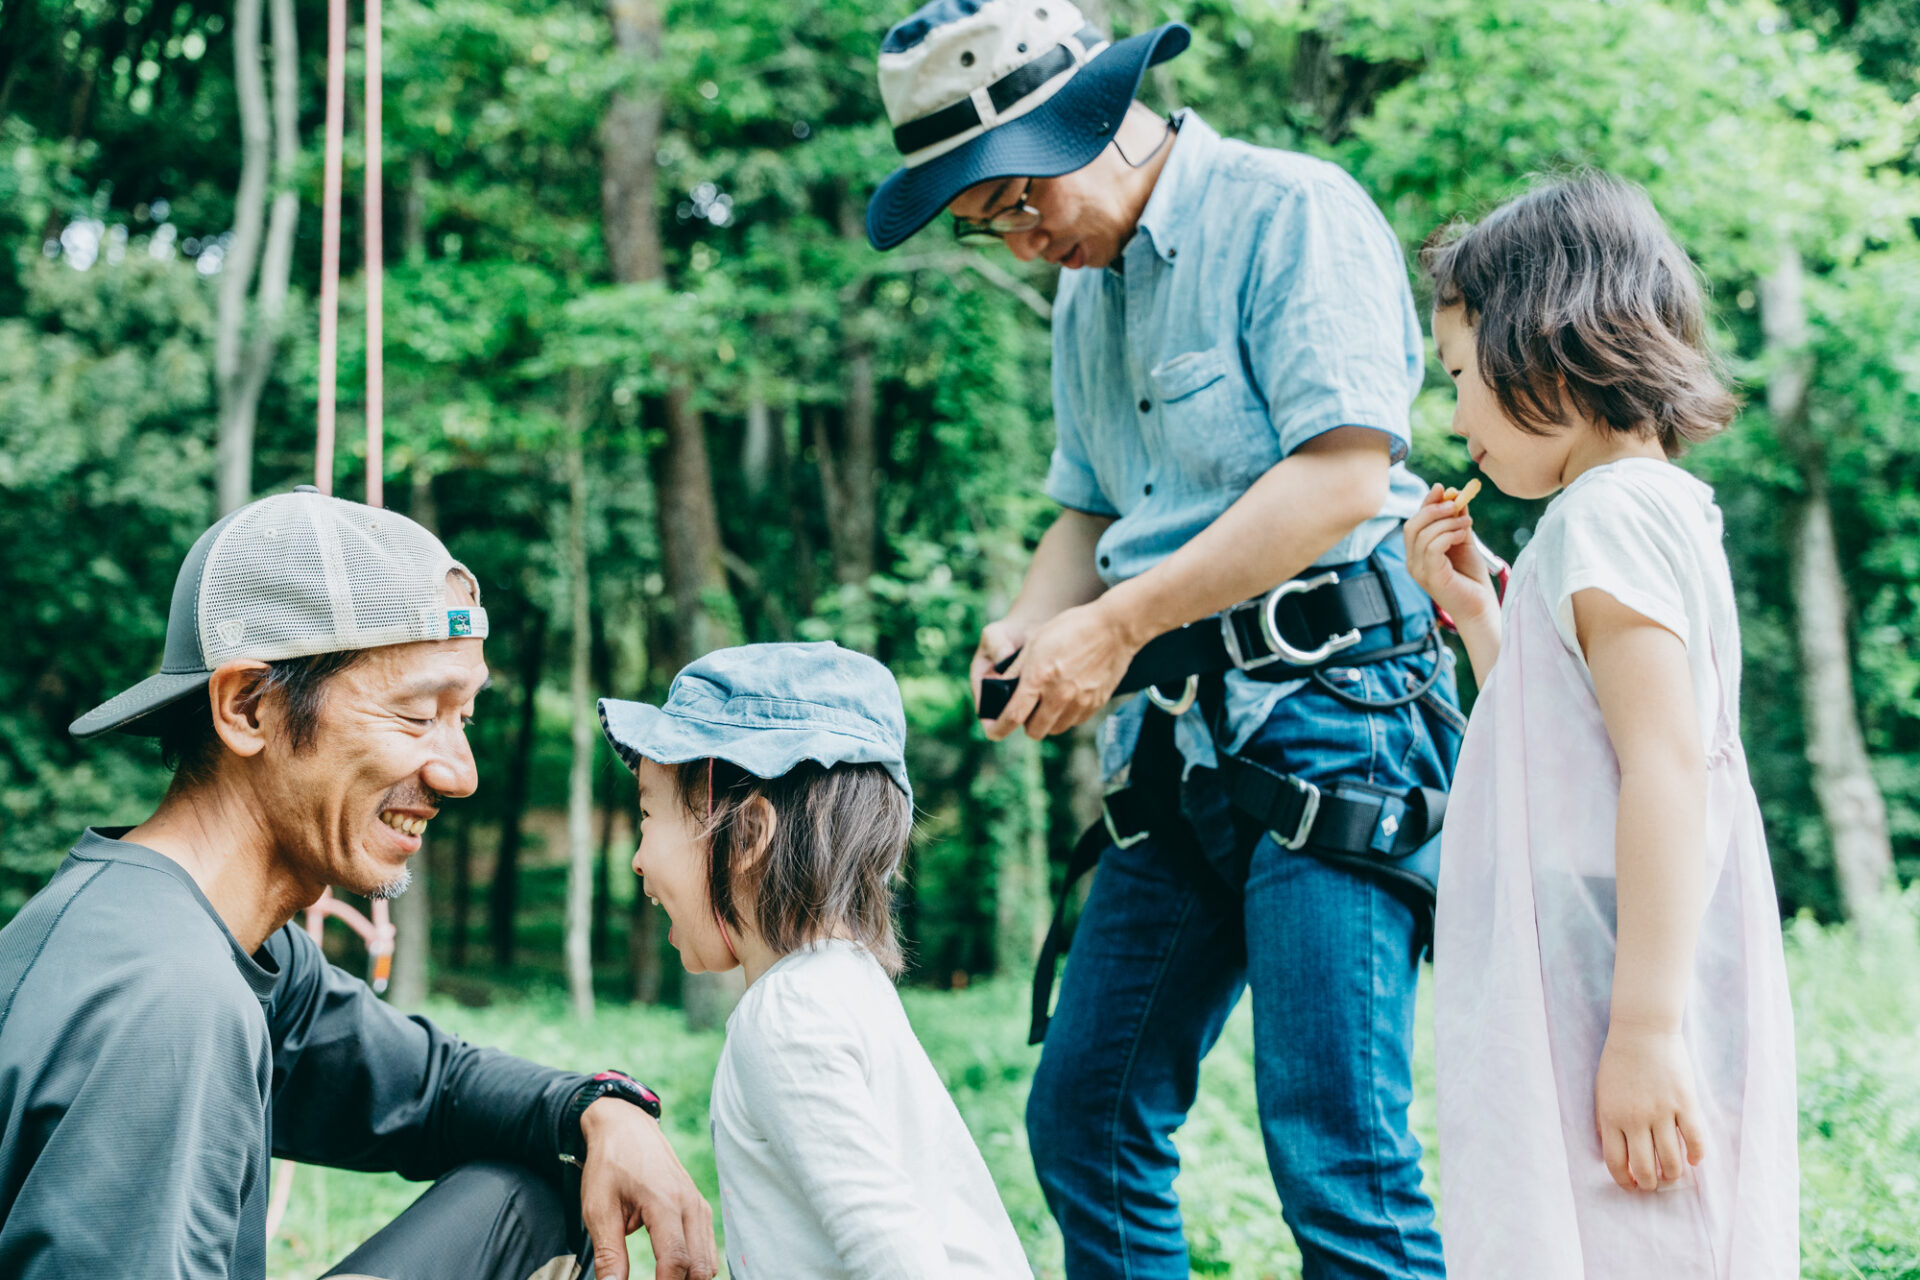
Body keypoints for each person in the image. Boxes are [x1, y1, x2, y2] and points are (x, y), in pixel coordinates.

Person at [867, 2, 1464, 1276]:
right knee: (1086, 1117)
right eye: (985, 222)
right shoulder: (1086, 295)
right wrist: (1033, 621)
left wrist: (1118, 623)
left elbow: (1343, 475)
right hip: (1174, 750)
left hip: (1336, 716)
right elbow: (1092, 506)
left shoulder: (1290, 212)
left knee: (1337, 1151)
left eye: (1019, 198)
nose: (1024, 241)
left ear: (1098, 117)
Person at [0, 487, 718, 1280]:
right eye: (416, 716)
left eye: (463, 718)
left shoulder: (223, 941)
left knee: (538, 1188)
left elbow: (431, 1089)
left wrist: (598, 1107)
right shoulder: (168, 1001)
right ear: (248, 708)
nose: (460, 774)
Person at [1403, 174, 1798, 1277]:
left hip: (1620, 973)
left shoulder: (1604, 517)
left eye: (1460, 377)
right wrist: (1482, 618)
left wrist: (1644, 1032)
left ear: (1544, 347)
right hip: (1617, 956)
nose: (1456, 418)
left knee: (1628, 1234)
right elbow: (1564, 751)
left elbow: (1665, 768)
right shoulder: (1629, 512)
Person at [597, 642, 1033, 1280]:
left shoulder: (786, 1016)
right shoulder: (840, 986)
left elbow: (896, 1262)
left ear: (748, 836)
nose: (638, 859)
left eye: (647, 813)